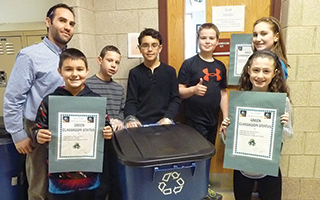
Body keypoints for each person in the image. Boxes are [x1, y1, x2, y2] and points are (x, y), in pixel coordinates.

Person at [3, 3, 75, 200]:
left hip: (66, 128)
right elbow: (13, 98)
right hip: (38, 130)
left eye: (71, 23)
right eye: (62, 20)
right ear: (48, 22)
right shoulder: (30, 55)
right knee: (40, 187)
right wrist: (18, 134)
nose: (68, 26)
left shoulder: (70, 57)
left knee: (65, 185)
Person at [34, 48, 113, 200]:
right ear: (60, 71)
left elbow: (106, 125)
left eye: (80, 69)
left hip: (90, 173)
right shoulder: (50, 101)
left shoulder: (95, 101)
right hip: (60, 176)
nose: (75, 74)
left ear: (87, 71)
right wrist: (39, 135)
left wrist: (108, 132)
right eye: (68, 69)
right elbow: (38, 127)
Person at [230, 50, 293, 200]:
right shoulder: (239, 100)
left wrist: (282, 126)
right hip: (242, 168)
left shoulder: (282, 102)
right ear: (248, 70)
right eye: (256, 70)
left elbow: (289, 134)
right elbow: (227, 141)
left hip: (269, 169)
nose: (260, 76)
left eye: (266, 71)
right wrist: (226, 130)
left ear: (275, 73)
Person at [177, 23, 227, 200]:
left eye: (211, 38)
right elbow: (179, 91)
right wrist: (193, 90)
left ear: (217, 41)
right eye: (203, 37)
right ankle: (192, 191)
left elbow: (222, 92)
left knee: (207, 157)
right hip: (193, 121)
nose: (207, 41)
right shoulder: (189, 64)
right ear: (198, 40)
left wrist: (225, 118)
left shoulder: (220, 66)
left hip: (212, 120)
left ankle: (203, 190)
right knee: (194, 158)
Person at [86, 45, 124, 200]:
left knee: (115, 177)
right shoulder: (87, 84)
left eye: (117, 62)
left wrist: (120, 121)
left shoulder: (118, 88)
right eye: (109, 60)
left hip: (114, 140)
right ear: (100, 60)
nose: (113, 65)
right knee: (98, 182)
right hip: (94, 141)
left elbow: (122, 110)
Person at [124, 28, 180, 127]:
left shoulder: (170, 71)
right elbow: (131, 101)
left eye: (154, 45)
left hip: (165, 124)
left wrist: (168, 118)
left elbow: (175, 100)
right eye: (145, 45)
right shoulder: (134, 73)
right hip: (140, 125)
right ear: (140, 48)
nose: (150, 49)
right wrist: (131, 118)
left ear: (160, 48)